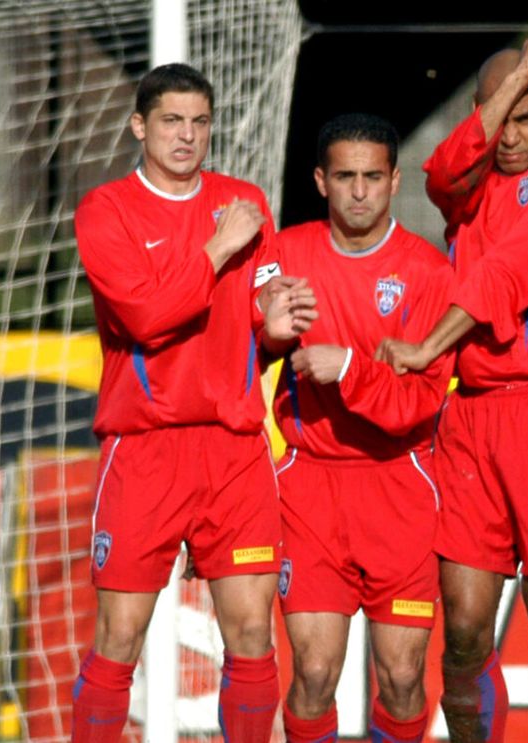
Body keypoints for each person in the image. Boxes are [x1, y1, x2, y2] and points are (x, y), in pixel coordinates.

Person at [376, 38, 528, 743]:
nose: (509, 136)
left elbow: (512, 271)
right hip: (471, 421)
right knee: (466, 631)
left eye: (525, 117)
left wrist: (426, 346)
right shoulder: (469, 183)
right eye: (495, 117)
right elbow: (444, 169)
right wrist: (506, 92)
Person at [70, 63, 316, 743]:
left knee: (249, 633)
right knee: (119, 635)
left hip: (234, 447)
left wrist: (278, 322)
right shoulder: (106, 210)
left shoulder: (243, 200)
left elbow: (258, 324)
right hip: (144, 448)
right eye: (172, 121)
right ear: (139, 126)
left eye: (199, 122)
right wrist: (217, 246)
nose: (187, 135)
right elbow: (146, 317)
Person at [265, 113, 455, 743]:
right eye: (344, 176)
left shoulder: (429, 272)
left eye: (372, 176)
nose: (358, 191)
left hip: (399, 484)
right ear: (320, 180)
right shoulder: (286, 256)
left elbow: (419, 402)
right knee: (314, 672)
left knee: (401, 679)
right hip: (311, 487)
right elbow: (239, 348)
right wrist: (265, 330)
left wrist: (346, 367)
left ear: (395, 180)